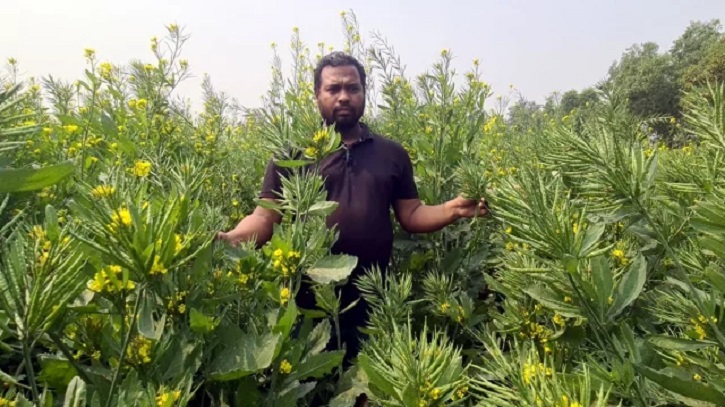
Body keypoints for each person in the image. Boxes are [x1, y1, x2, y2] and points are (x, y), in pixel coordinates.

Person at [217, 51, 488, 366]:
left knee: (367, 383)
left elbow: (412, 214)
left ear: (363, 93)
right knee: (311, 380)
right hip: (309, 297)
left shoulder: (391, 154)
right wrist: (231, 240)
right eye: (333, 89)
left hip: (373, 293)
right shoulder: (291, 155)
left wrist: (452, 209)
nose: (343, 96)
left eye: (353, 88)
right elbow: (264, 218)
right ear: (317, 95)